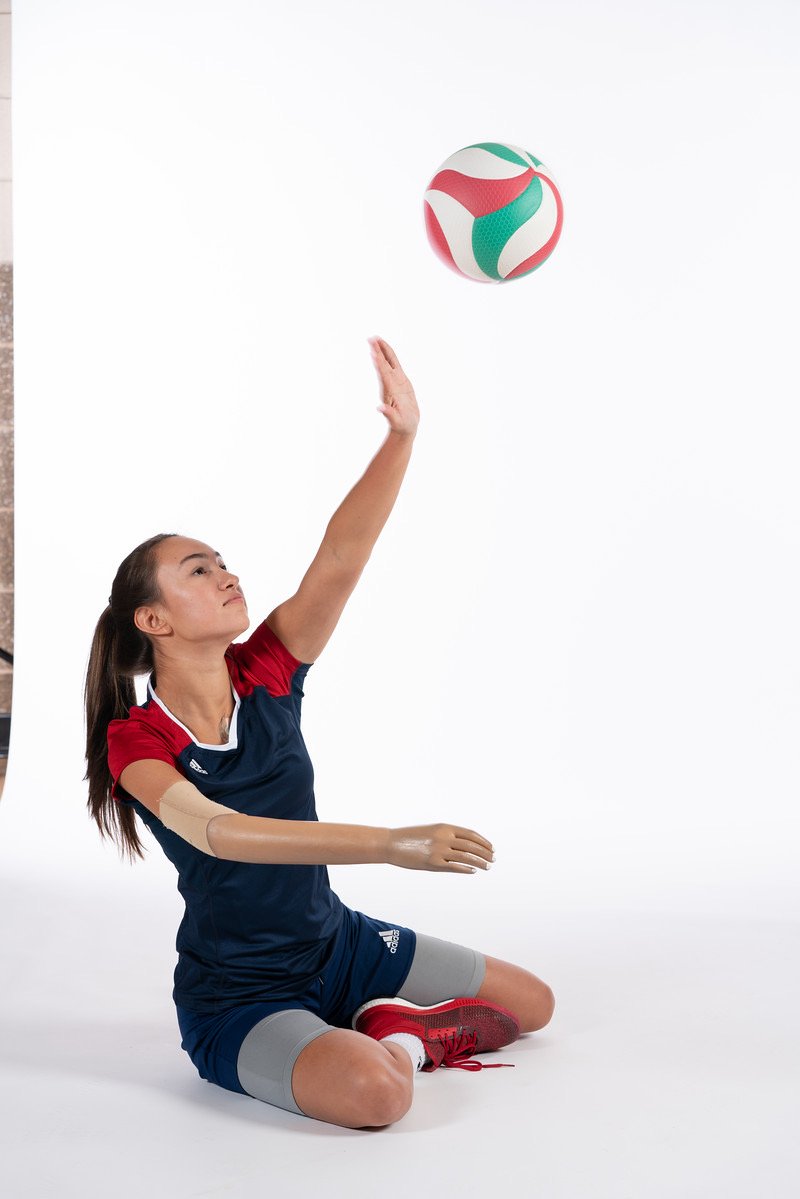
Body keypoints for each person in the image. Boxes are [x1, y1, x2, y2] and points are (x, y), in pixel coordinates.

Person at [84, 337, 555, 1129]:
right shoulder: (136, 741)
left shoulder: (267, 669)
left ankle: (371, 1012)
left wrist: (401, 436)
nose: (227, 573)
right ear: (153, 620)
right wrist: (389, 843)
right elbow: (223, 832)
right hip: (240, 993)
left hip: (340, 944)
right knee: (380, 1095)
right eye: (199, 569)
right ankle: (398, 1038)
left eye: (223, 560)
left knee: (533, 1005)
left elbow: (342, 554)